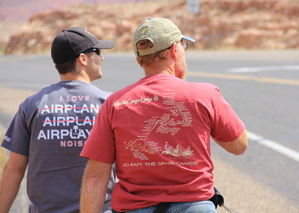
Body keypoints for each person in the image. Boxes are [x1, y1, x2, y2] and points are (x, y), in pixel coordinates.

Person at [80, 18, 248, 213]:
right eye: (183, 46)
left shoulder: (115, 103)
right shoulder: (204, 94)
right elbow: (239, 145)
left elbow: (95, 178)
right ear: (175, 50)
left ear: (139, 58)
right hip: (195, 206)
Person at [0, 27, 116, 213]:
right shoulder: (109, 104)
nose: (101, 58)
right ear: (83, 59)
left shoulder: (32, 105)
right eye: (98, 52)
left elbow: (13, 170)